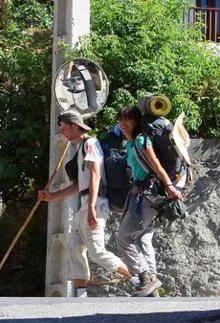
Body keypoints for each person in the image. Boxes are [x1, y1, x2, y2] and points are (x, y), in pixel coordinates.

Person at [39, 110, 152, 297]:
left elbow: (95, 174)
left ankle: (140, 279)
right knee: (74, 249)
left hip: (95, 205)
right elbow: (79, 186)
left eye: (64, 128)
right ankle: (81, 296)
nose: (62, 131)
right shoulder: (81, 147)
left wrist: (91, 207)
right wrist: (53, 196)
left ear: (75, 126)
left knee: (98, 252)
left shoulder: (90, 144)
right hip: (84, 206)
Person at [116, 105, 184, 297]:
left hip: (147, 195)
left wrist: (170, 187)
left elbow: (157, 166)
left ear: (137, 121)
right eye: (120, 119)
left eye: (128, 119)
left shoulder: (141, 140)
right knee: (143, 238)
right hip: (140, 194)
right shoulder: (129, 143)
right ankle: (151, 285)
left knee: (124, 237)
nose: (123, 123)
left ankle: (145, 277)